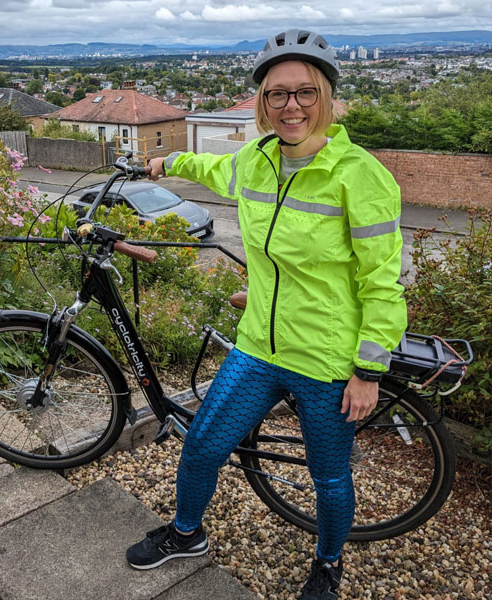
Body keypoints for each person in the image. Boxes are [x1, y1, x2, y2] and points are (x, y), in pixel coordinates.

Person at [126, 27, 406, 599]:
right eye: (277, 94)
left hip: (327, 358)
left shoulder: (360, 176)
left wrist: (369, 371)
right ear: (262, 103)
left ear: (326, 97)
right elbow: (212, 171)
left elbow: (383, 282)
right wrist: (166, 162)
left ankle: (327, 564)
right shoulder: (255, 160)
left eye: (305, 92)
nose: (291, 105)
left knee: (328, 478)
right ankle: (187, 533)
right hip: (258, 345)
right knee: (202, 445)